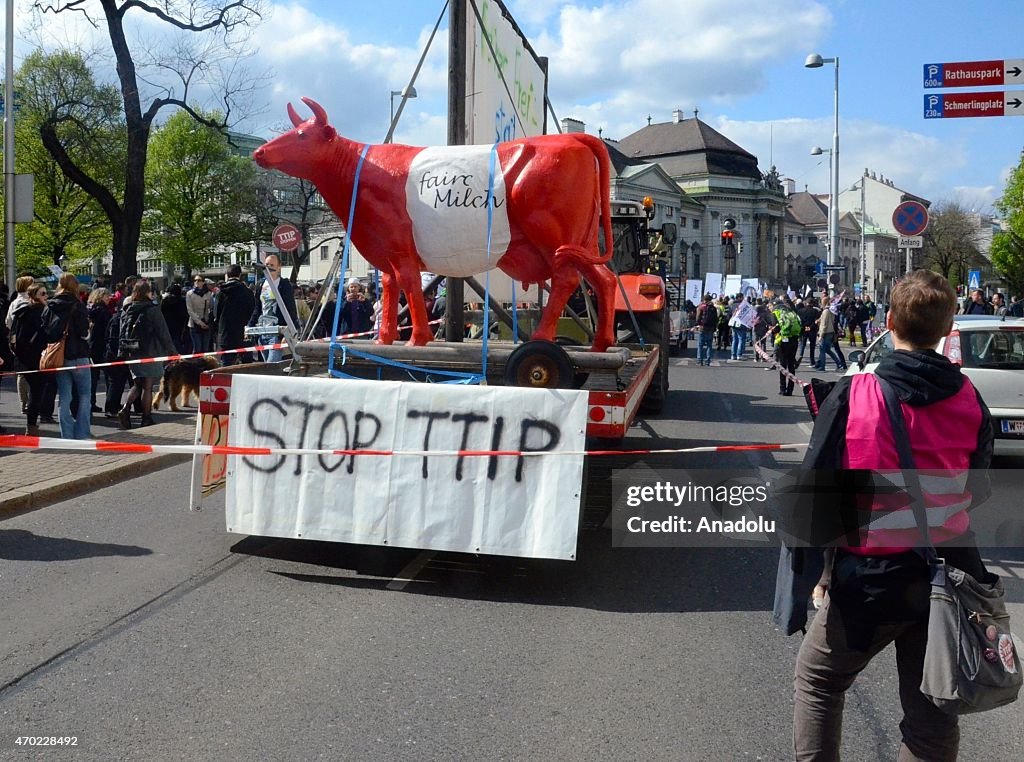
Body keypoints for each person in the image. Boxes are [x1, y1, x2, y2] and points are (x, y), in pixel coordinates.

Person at [778, 269, 995, 762]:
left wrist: (814, 568)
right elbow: (978, 489)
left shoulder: (856, 394)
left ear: (890, 319)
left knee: (818, 682)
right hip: (949, 574)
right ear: (947, 327)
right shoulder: (970, 399)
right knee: (933, 712)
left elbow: (816, 491)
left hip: (869, 576)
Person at [117, 281, 178, 429]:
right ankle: (146, 417)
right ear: (147, 292)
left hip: (132, 351)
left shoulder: (127, 309)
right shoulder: (152, 309)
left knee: (137, 384)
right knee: (148, 387)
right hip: (150, 351)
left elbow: (121, 332)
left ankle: (125, 408)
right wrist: (172, 351)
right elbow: (163, 332)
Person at [44, 272, 92, 440]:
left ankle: (67, 434)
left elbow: (45, 329)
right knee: (85, 395)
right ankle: (82, 433)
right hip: (78, 354)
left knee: (64, 396)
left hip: (59, 355)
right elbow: (83, 332)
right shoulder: (77, 305)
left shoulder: (50, 305)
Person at [8, 284, 51, 435]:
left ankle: (31, 424)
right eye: (43, 293)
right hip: (36, 357)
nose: (46, 296)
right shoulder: (40, 312)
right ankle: (31, 426)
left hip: (21, 358)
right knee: (37, 391)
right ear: (34, 296)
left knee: (35, 390)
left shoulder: (20, 312)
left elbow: (13, 335)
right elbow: (46, 334)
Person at [248, 253, 299, 362]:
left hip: (277, 332)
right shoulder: (260, 284)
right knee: (266, 366)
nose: (269, 268)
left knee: (272, 365)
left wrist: (289, 331)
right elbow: (257, 308)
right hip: (262, 331)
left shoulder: (284, 285)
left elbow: (291, 309)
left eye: (272, 265)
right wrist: (249, 326)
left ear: (278, 267)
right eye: (266, 264)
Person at [213, 264, 256, 365]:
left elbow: (216, 313)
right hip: (243, 333)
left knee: (226, 364)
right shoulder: (247, 292)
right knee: (246, 365)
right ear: (240, 275)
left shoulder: (221, 292)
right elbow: (252, 311)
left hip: (226, 333)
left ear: (227, 275)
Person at [86, 288, 112, 413]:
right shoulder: (104, 313)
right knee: (109, 376)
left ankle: (91, 402)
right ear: (101, 297)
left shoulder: (90, 311)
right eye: (107, 296)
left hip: (92, 346)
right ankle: (110, 403)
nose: (109, 298)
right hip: (102, 346)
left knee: (93, 377)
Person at [771, 298, 802, 396]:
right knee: (791, 365)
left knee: (783, 365)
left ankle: (782, 389)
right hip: (794, 339)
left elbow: (776, 329)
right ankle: (790, 390)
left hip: (783, 341)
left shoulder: (776, 313)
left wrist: (772, 330)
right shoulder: (791, 312)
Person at [815, 299, 847, 372]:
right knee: (827, 350)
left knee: (822, 350)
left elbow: (824, 324)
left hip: (826, 333)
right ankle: (839, 363)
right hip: (831, 332)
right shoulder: (830, 311)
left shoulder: (825, 312)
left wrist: (821, 335)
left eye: (822, 302)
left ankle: (822, 366)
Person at [186, 276, 214, 354]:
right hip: (194, 324)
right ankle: (196, 365)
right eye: (195, 280)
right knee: (197, 348)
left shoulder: (208, 294)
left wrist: (208, 320)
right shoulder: (189, 294)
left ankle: (205, 365)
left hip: (206, 322)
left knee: (205, 349)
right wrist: (200, 322)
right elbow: (190, 310)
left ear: (203, 282)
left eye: (199, 280)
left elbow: (212, 307)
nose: (197, 282)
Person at [160, 283, 191, 354]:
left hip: (168, 325)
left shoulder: (165, 301)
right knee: (178, 341)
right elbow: (186, 313)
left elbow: (162, 312)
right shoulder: (183, 300)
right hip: (180, 325)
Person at [797, 297, 821, 367]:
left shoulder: (800, 311)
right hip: (812, 330)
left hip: (803, 329)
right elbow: (816, 321)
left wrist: (805, 326)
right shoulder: (816, 311)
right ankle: (812, 360)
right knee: (812, 346)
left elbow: (800, 321)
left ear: (806, 303)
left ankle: (800, 357)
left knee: (802, 344)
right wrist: (810, 327)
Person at [695, 294, 717, 366]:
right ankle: (708, 361)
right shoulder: (713, 308)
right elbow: (716, 319)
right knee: (709, 346)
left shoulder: (701, 307)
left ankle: (699, 361)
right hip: (710, 329)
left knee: (700, 345)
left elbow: (698, 317)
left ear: (704, 300)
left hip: (702, 328)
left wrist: (697, 324)